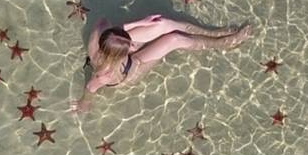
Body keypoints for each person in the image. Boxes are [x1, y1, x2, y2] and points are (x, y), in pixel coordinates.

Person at [69, 15, 252, 113]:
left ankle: (213, 33)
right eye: (130, 46)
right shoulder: (105, 74)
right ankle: (223, 43)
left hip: (115, 47)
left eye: (130, 43)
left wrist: (140, 23)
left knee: (163, 23)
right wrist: (83, 105)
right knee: (174, 39)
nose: (134, 45)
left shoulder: (98, 37)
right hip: (133, 69)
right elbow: (91, 88)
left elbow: (105, 22)